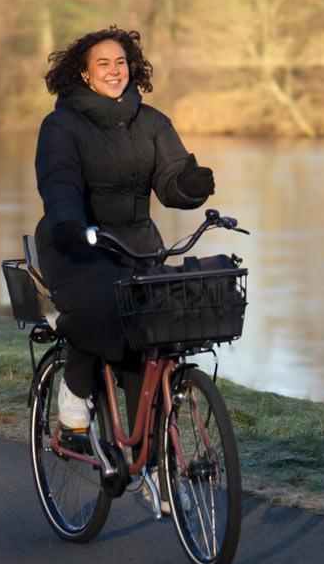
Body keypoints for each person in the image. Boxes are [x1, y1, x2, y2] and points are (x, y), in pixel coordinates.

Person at [33, 26, 215, 458]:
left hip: (137, 242)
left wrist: (190, 184)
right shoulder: (61, 125)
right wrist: (70, 225)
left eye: (121, 62)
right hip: (75, 239)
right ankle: (74, 406)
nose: (114, 71)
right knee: (99, 306)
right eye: (103, 63)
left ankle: (150, 461)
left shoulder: (151, 121)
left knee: (155, 329)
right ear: (84, 74)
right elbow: (59, 183)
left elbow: (171, 184)